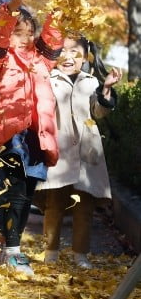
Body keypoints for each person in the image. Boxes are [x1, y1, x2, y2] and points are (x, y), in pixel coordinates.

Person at [0, 0, 64, 275]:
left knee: (26, 195)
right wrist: (10, 11)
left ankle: (3, 244)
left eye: (30, 33)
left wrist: (59, 12)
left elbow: (52, 40)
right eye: (19, 32)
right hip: (9, 135)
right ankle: (13, 252)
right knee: (15, 191)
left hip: (37, 136)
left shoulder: (41, 60)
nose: (25, 38)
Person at [37, 35, 121, 269]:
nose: (68, 57)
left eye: (75, 53)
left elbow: (99, 112)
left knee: (85, 205)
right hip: (59, 150)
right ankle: (50, 252)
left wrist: (105, 89)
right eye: (63, 51)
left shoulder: (91, 82)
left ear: (85, 57)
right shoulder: (48, 79)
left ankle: (79, 254)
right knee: (54, 204)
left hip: (87, 151)